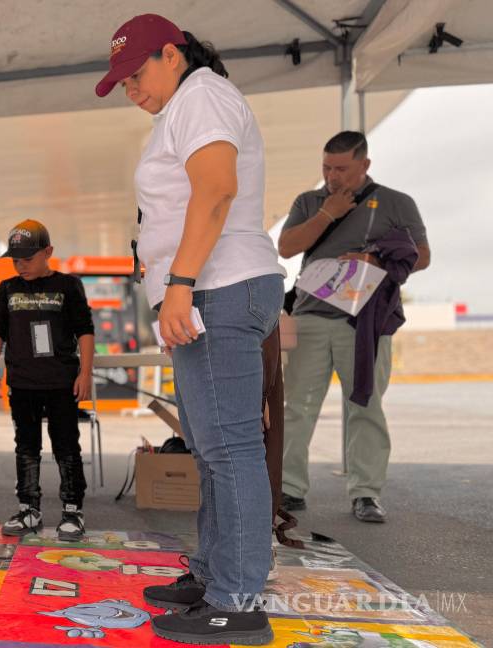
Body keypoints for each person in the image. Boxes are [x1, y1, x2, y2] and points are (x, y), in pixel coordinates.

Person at [95, 14, 285, 644]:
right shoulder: (184, 106)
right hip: (210, 288)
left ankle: (238, 600)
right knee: (211, 450)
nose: (131, 89)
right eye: (121, 82)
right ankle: (214, 576)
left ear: (172, 55)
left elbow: (215, 191)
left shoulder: (200, 95)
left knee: (230, 451)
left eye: (136, 73)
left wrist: (179, 284)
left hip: (217, 288)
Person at [278, 131, 430, 523]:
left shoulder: (397, 203)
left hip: (365, 321)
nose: (333, 176)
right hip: (310, 316)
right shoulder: (308, 201)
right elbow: (287, 247)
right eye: (327, 167)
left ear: (365, 164)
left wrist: (373, 260)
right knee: (296, 406)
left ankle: (365, 493)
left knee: (364, 406)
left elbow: (422, 256)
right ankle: (289, 488)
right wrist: (328, 213)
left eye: (342, 169)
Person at [0, 219, 93, 543]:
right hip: (22, 383)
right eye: (15, 259)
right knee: (26, 448)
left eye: (27, 258)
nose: (20, 265)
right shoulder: (8, 289)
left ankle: (73, 510)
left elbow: (85, 330)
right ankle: (29, 508)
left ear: (49, 252)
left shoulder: (69, 286)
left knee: (66, 447)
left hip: (61, 382)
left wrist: (84, 373)